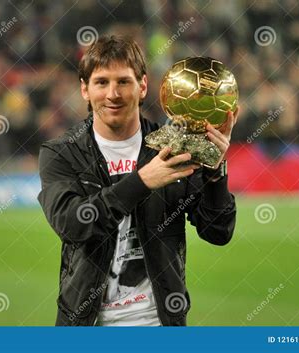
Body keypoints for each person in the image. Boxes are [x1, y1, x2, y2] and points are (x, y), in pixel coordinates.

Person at [37, 35, 238, 326]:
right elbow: (73, 224)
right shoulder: (63, 153)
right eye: (101, 82)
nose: (112, 94)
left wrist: (214, 170)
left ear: (142, 86)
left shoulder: (173, 147)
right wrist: (143, 180)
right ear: (84, 89)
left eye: (123, 81)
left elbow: (218, 232)